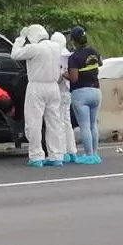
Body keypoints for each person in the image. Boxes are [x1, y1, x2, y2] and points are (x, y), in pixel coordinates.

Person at [11, 24, 65, 167]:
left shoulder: (34, 48)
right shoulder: (56, 47)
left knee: (34, 122)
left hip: (36, 86)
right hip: (54, 87)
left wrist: (20, 39)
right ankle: (56, 156)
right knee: (54, 122)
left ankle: (36, 156)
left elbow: (15, 54)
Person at [66, 26, 103, 164]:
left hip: (81, 92)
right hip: (96, 91)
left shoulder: (74, 57)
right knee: (93, 125)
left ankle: (88, 155)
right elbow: (100, 62)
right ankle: (95, 154)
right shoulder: (93, 51)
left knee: (84, 126)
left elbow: (74, 78)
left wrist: (65, 75)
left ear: (73, 40)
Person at [50, 31, 78, 163]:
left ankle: (62, 152)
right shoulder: (68, 55)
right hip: (68, 92)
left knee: (58, 122)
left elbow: (58, 78)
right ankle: (72, 151)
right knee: (67, 122)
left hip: (59, 91)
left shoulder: (56, 56)